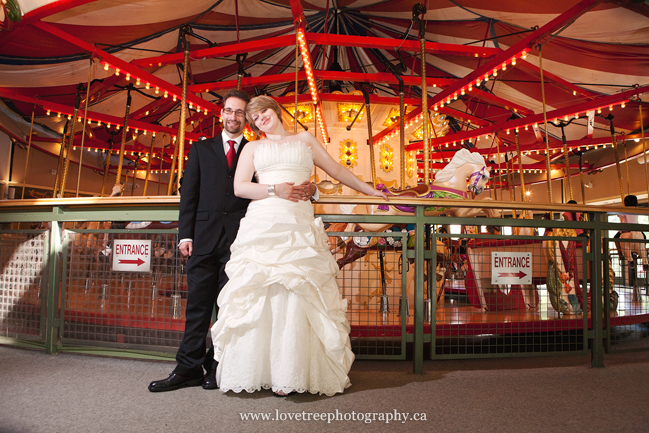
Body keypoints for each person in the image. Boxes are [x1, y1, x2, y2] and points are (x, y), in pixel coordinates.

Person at [210, 95, 388, 396]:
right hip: (265, 219)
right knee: (262, 293)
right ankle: (259, 367)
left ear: (275, 110)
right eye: (254, 117)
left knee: (299, 291)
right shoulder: (253, 147)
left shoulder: (304, 139)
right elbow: (240, 187)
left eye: (263, 111)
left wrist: (370, 191)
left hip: (298, 220)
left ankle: (292, 370)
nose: (260, 118)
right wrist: (273, 188)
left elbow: (337, 170)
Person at [148, 90, 315, 392]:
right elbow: (189, 194)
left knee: (231, 308)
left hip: (240, 239)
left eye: (240, 113)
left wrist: (310, 188)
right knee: (197, 307)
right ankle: (187, 367)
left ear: (246, 119)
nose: (233, 117)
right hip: (203, 237)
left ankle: (216, 367)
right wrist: (185, 233)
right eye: (229, 111)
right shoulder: (201, 149)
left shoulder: (256, 149)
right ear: (221, 114)